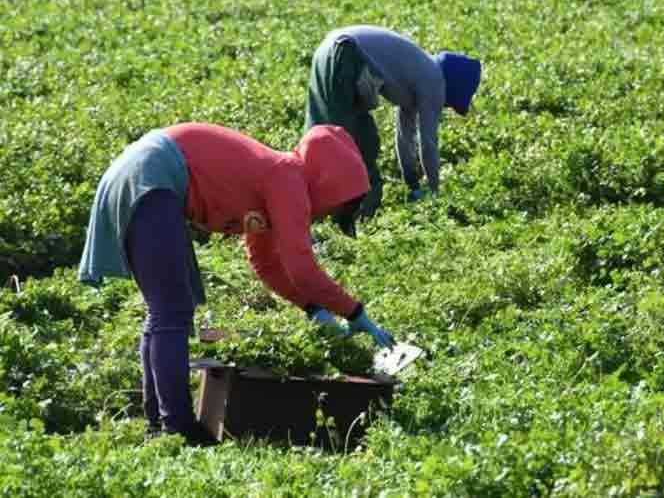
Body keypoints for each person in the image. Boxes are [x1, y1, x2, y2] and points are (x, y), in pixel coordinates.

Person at [78, 122, 396, 446]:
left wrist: (313, 308)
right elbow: (302, 269)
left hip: (141, 173)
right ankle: (177, 427)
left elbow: (267, 264)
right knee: (170, 312)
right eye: (336, 207)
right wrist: (353, 312)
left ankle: (158, 423)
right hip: (151, 177)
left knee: (166, 311)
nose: (327, 215)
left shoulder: (279, 180)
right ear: (331, 184)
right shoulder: (289, 179)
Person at [305, 25, 482, 219]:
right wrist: (434, 190)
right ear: (454, 87)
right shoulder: (434, 80)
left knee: (332, 139)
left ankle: (319, 207)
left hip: (329, 49)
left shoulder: (417, 73)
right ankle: (349, 219)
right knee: (346, 149)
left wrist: (412, 184)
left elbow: (404, 137)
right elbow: (428, 143)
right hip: (346, 55)